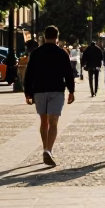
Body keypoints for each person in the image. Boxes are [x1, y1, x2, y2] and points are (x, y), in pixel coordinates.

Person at [23, 25, 76, 167]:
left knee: (44, 121)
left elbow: (29, 74)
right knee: (54, 122)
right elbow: (68, 73)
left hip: (39, 90)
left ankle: (45, 147)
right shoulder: (62, 53)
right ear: (57, 37)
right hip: (56, 90)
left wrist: (27, 92)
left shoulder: (36, 53)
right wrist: (71, 90)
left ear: (44, 37)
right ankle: (49, 149)